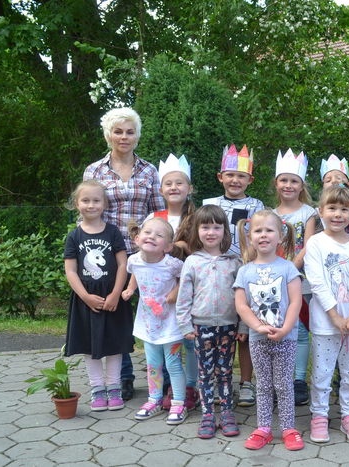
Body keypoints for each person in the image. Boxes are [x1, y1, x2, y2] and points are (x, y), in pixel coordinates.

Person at [84, 107, 164, 401]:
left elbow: (158, 212)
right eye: (118, 131)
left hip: (146, 256)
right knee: (117, 316)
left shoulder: (149, 171)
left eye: (130, 132)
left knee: (156, 310)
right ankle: (124, 377)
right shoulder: (95, 171)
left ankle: (163, 376)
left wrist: (157, 245)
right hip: (107, 256)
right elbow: (87, 211)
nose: (124, 137)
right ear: (108, 135)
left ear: (137, 136)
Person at [304, 185, 349, 443]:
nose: (337, 214)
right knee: (322, 372)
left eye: (344, 209)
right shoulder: (316, 243)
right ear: (321, 211)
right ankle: (319, 415)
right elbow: (317, 282)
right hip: (326, 322)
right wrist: (334, 316)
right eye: (332, 208)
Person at [233, 210, 304, 451]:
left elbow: (295, 302)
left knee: (284, 385)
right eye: (258, 231)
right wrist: (257, 326)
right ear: (250, 237)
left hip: (286, 338)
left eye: (269, 230)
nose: (263, 235)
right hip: (257, 338)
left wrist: (285, 329)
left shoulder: (288, 268)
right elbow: (241, 305)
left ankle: (288, 429)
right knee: (263, 385)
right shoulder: (245, 271)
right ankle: (263, 428)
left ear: (280, 236)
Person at [63, 180, 134, 412]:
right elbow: (70, 271)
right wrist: (85, 296)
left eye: (96, 200)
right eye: (85, 200)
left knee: (114, 344)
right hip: (87, 301)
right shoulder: (74, 236)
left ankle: (113, 388)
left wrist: (115, 294)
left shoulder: (113, 232)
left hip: (112, 298)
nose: (91, 205)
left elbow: (123, 264)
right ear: (77, 204)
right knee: (89, 345)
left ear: (104, 204)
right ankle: (97, 390)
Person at [175, 205, 246, 439]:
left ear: (225, 231)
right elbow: (183, 298)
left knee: (225, 371)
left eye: (217, 227)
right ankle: (207, 414)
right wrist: (185, 325)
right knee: (205, 373)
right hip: (201, 327)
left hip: (228, 326)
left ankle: (226, 412)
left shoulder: (234, 262)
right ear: (197, 230)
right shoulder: (192, 262)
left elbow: (243, 298)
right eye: (205, 227)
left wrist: (243, 325)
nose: (211, 232)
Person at [203, 144, 264, 407]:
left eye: (241, 176)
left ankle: (247, 382)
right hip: (216, 275)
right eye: (230, 175)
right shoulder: (210, 204)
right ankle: (221, 380)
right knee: (221, 331)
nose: (235, 180)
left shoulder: (256, 205)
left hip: (246, 274)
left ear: (250, 179)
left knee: (245, 331)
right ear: (220, 177)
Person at [145, 154, 199, 412]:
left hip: (190, 287)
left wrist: (182, 246)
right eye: (168, 183)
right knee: (165, 338)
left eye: (179, 183)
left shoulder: (196, 218)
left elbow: (202, 249)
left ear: (190, 188)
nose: (174, 187)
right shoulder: (154, 217)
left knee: (189, 338)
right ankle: (168, 385)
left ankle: (190, 386)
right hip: (161, 290)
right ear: (160, 189)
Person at [121, 218, 186, 425]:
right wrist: (130, 289)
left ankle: (179, 402)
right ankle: (154, 399)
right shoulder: (133, 260)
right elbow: (135, 274)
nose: (151, 237)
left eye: (159, 235)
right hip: (148, 324)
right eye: (147, 232)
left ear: (168, 246)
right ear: (137, 238)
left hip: (171, 324)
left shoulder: (172, 264)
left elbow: (186, 279)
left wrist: (175, 293)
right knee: (153, 365)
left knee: (173, 364)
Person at [273, 149, 317, 406]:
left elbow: (307, 245)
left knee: (299, 330)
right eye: (284, 180)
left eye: (294, 181)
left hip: (299, 279)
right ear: (276, 183)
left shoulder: (308, 213)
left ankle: (299, 380)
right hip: (274, 281)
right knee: (280, 327)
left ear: (302, 186)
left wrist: (290, 269)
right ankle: (281, 378)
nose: (288, 185)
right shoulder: (270, 213)